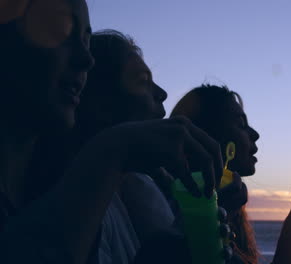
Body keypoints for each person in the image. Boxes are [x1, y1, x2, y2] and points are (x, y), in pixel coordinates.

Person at [0, 1, 222, 263]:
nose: (85, 59)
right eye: (58, 28)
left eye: (84, 38)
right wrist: (115, 150)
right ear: (99, 102)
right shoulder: (84, 185)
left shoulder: (48, 186)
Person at [171, 84, 291, 264]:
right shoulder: (188, 214)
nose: (255, 134)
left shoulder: (224, 208)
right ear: (207, 134)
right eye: (241, 124)